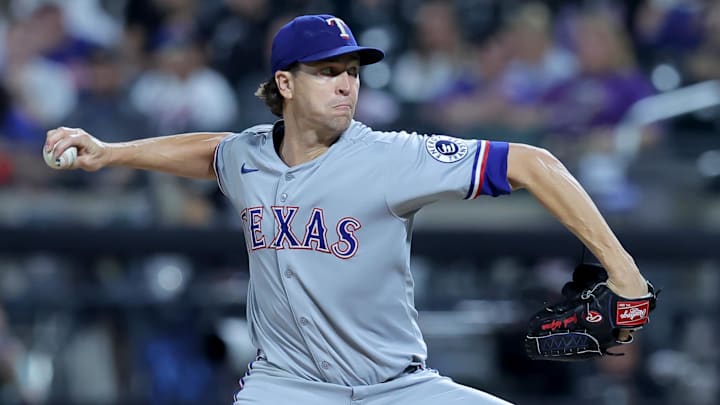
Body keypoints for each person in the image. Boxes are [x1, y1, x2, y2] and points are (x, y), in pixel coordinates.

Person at [44, 14, 652, 405]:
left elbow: (533, 162)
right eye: (328, 72)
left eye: (352, 72)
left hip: (399, 389)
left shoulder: (391, 157)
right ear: (285, 84)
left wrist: (622, 271)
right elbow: (213, 152)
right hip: (286, 389)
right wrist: (111, 153)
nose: (346, 84)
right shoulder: (251, 156)